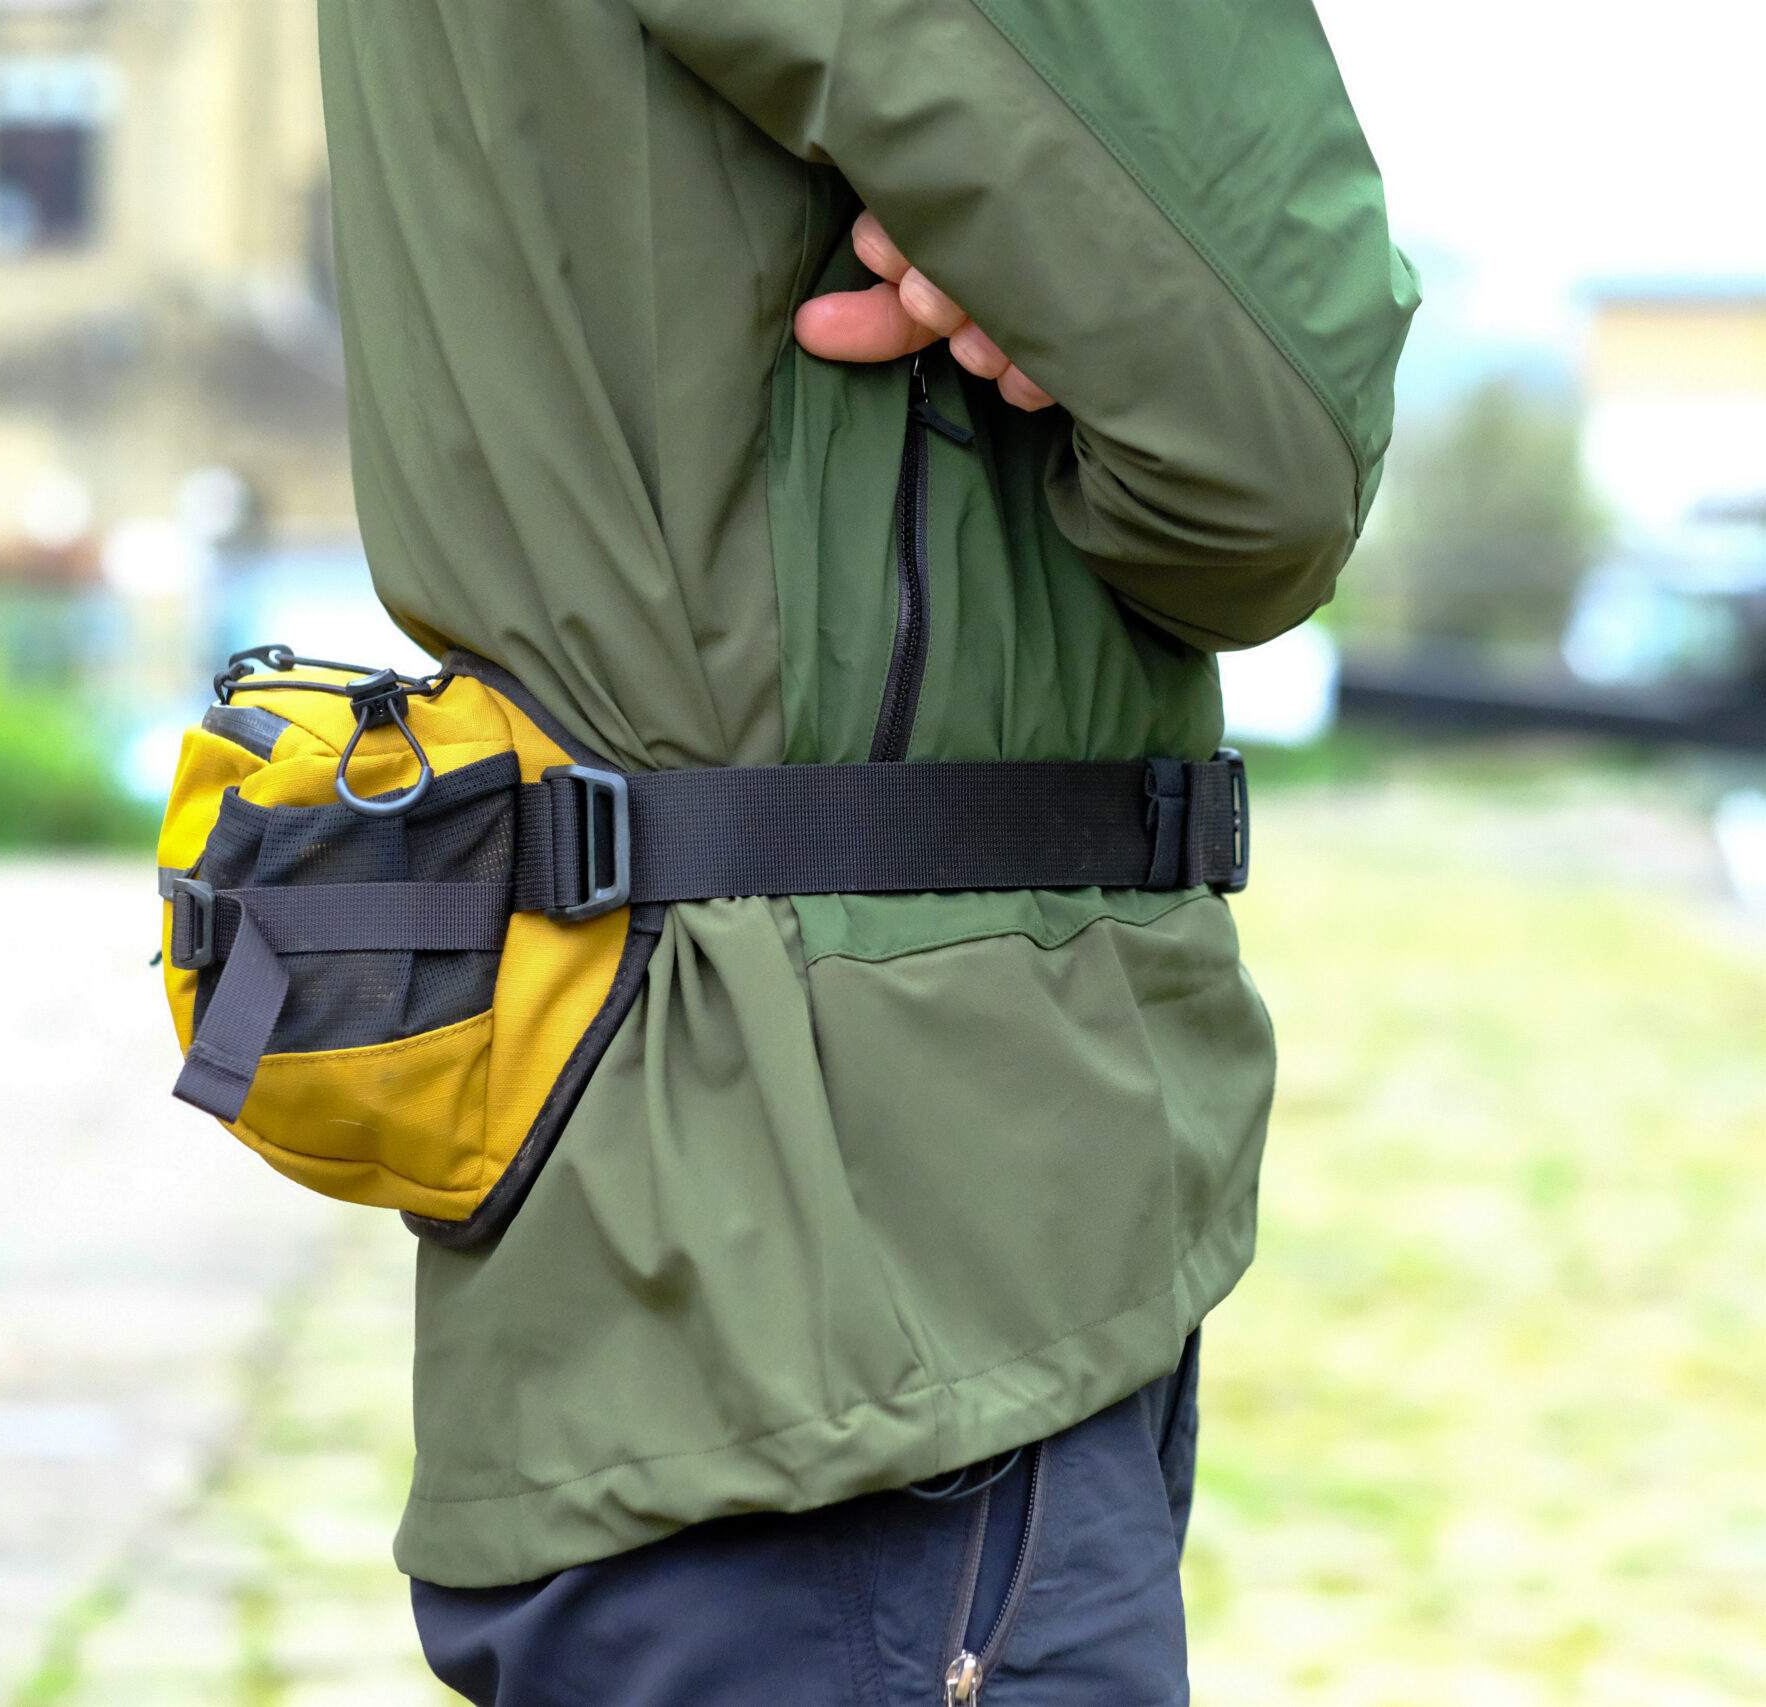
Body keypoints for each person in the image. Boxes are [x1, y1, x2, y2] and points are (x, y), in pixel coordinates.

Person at [315, 0, 1416, 1698]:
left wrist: (1035, 281)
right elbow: (1262, 449)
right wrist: (1057, 303)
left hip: (674, 1170)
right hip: (880, 1222)